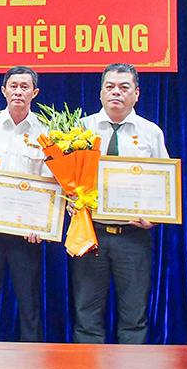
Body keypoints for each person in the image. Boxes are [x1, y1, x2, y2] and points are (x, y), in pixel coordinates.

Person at [72, 63, 168, 344]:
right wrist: (71, 201)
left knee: (134, 316)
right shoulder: (81, 129)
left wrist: (156, 216)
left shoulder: (151, 132)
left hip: (133, 236)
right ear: (101, 93)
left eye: (124, 87)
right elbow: (64, 176)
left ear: (136, 94)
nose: (116, 92)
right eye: (110, 86)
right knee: (87, 315)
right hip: (91, 234)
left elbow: (164, 182)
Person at [0, 66, 47, 341]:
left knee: (29, 302)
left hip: (27, 232)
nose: (18, 91)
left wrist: (41, 224)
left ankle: (33, 359)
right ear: (3, 90)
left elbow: (51, 180)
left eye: (24, 87)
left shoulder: (45, 129)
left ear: (34, 93)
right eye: (13, 86)